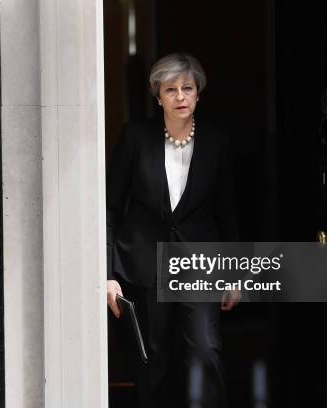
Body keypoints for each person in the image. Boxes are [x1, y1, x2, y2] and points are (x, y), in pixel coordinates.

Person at [106, 53, 241, 408]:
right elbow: (111, 208)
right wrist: (107, 275)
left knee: (205, 350)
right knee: (154, 359)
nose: (180, 96)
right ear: (158, 96)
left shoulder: (217, 140)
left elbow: (227, 212)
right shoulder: (136, 137)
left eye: (187, 88)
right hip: (144, 264)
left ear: (198, 94)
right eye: (171, 89)